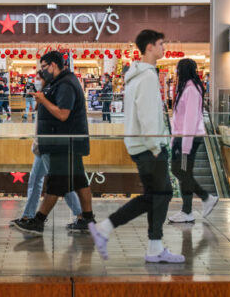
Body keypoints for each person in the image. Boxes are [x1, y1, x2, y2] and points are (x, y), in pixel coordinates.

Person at [90, 30, 184, 263]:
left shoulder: (136, 76)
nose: (164, 48)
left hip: (139, 144)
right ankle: (106, 227)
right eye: (161, 44)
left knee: (157, 194)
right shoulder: (148, 77)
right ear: (150, 47)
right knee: (159, 193)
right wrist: (156, 146)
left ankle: (153, 245)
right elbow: (148, 115)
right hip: (149, 146)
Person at [13, 51, 95, 235]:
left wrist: (43, 100)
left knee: (57, 184)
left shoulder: (66, 84)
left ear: (53, 65)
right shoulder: (60, 83)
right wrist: (43, 100)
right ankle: (87, 219)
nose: (42, 71)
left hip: (64, 143)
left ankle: (38, 221)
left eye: (44, 67)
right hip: (62, 141)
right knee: (79, 181)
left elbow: (63, 114)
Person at [167, 58, 219, 223]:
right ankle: (188, 209)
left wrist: (184, 146)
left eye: (178, 70)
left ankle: (203, 199)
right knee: (182, 172)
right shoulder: (188, 88)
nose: (176, 73)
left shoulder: (191, 90)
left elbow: (190, 119)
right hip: (182, 138)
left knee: (180, 171)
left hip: (187, 139)